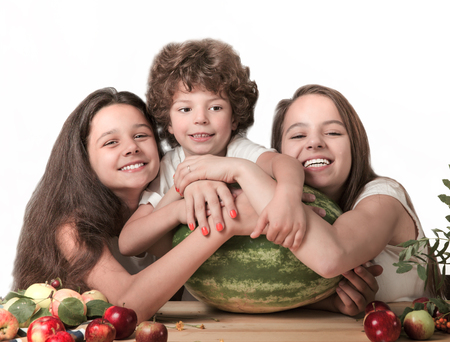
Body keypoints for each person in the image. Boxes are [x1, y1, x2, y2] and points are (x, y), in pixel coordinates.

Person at [174, 84, 437, 306]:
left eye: (333, 132)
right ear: (280, 151)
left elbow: (331, 255)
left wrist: (241, 169)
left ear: (355, 145)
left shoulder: (384, 197)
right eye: (299, 135)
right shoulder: (284, 208)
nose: (314, 143)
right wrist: (331, 304)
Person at [11, 87, 260, 323]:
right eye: (111, 142)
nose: (131, 148)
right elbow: (128, 305)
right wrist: (221, 225)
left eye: (141, 135)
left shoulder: (178, 197)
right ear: (84, 160)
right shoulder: (71, 228)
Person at [119, 38, 308, 258]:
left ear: (234, 118)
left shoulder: (238, 151)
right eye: (185, 109)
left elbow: (285, 164)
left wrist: (288, 196)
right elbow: (128, 243)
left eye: (215, 107)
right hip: (193, 285)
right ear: (168, 122)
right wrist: (181, 192)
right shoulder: (169, 166)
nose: (200, 119)